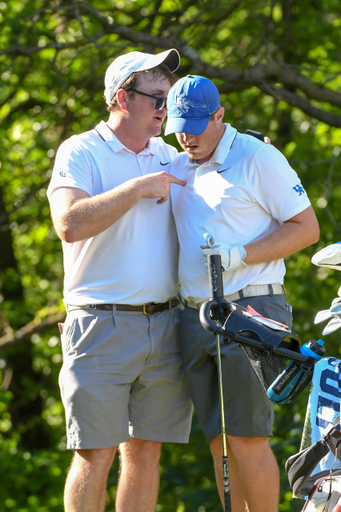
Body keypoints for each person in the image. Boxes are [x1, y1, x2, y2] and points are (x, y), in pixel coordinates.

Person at [164, 75, 320, 512]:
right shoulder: (178, 165)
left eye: (196, 125)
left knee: (247, 437)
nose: (186, 136)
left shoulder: (258, 156)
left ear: (220, 116)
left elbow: (307, 229)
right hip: (198, 314)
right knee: (219, 441)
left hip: (251, 307)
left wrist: (241, 254)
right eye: (179, 126)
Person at [47, 50, 194, 512]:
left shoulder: (170, 154)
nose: (163, 109)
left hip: (167, 324)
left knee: (146, 453)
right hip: (99, 325)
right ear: (120, 99)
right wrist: (135, 189)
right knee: (95, 454)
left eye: (167, 100)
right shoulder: (80, 150)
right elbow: (68, 224)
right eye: (155, 97)